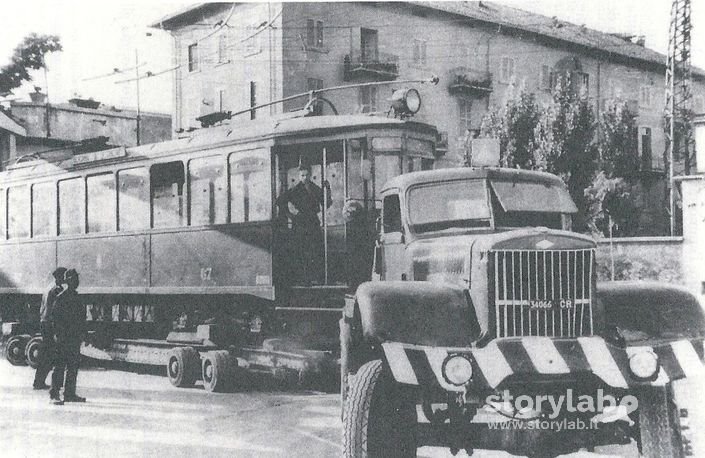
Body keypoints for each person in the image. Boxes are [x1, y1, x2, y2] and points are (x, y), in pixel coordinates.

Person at [278, 165, 333, 284]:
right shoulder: (295, 189)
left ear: (310, 175)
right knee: (301, 252)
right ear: (299, 176)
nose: (305, 178)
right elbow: (280, 201)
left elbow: (326, 203)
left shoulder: (315, 188)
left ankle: (316, 278)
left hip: (313, 222)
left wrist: (327, 189)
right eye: (302, 175)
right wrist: (290, 215)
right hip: (300, 224)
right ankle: (302, 279)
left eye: (307, 175)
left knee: (316, 250)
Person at [50, 269, 86, 404]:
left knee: (73, 366)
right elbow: (55, 319)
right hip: (64, 338)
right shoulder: (61, 297)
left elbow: (81, 318)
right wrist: (59, 336)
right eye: (74, 279)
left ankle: (69, 394)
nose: (77, 282)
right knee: (59, 366)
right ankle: (54, 394)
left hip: (74, 338)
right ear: (69, 280)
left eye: (77, 279)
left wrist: (82, 334)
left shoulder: (76, 297)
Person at [32, 267, 67, 390]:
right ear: (59, 277)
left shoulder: (48, 288)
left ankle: (38, 381)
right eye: (64, 276)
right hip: (50, 324)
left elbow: (42, 307)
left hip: (44, 322)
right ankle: (40, 382)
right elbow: (56, 310)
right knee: (50, 354)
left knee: (46, 353)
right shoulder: (56, 290)